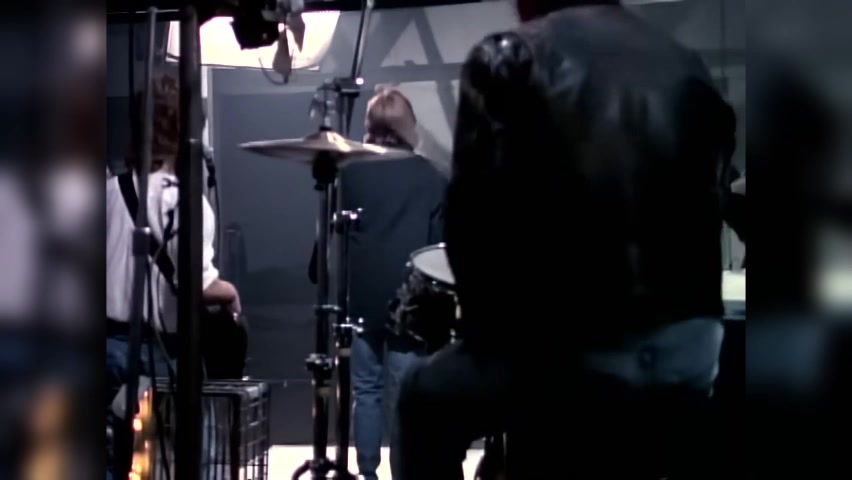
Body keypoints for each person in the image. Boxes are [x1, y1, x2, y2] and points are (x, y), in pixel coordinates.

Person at [394, 1, 737, 479]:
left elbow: (474, 230)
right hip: (689, 350)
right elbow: (715, 194)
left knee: (421, 399)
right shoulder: (685, 62)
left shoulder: (509, 55)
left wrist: (488, 334)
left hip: (579, 352)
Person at [105, 72, 241, 478]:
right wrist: (230, 293)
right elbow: (199, 286)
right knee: (194, 456)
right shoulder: (185, 202)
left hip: (106, 350)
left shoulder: (108, 192)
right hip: (161, 355)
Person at [310, 87, 447, 480]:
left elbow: (329, 239)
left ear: (370, 127)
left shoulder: (349, 175)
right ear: (409, 126)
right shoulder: (432, 178)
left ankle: (366, 473)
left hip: (360, 300)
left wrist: (318, 270)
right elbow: (437, 251)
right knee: (403, 396)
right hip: (409, 307)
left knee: (364, 392)